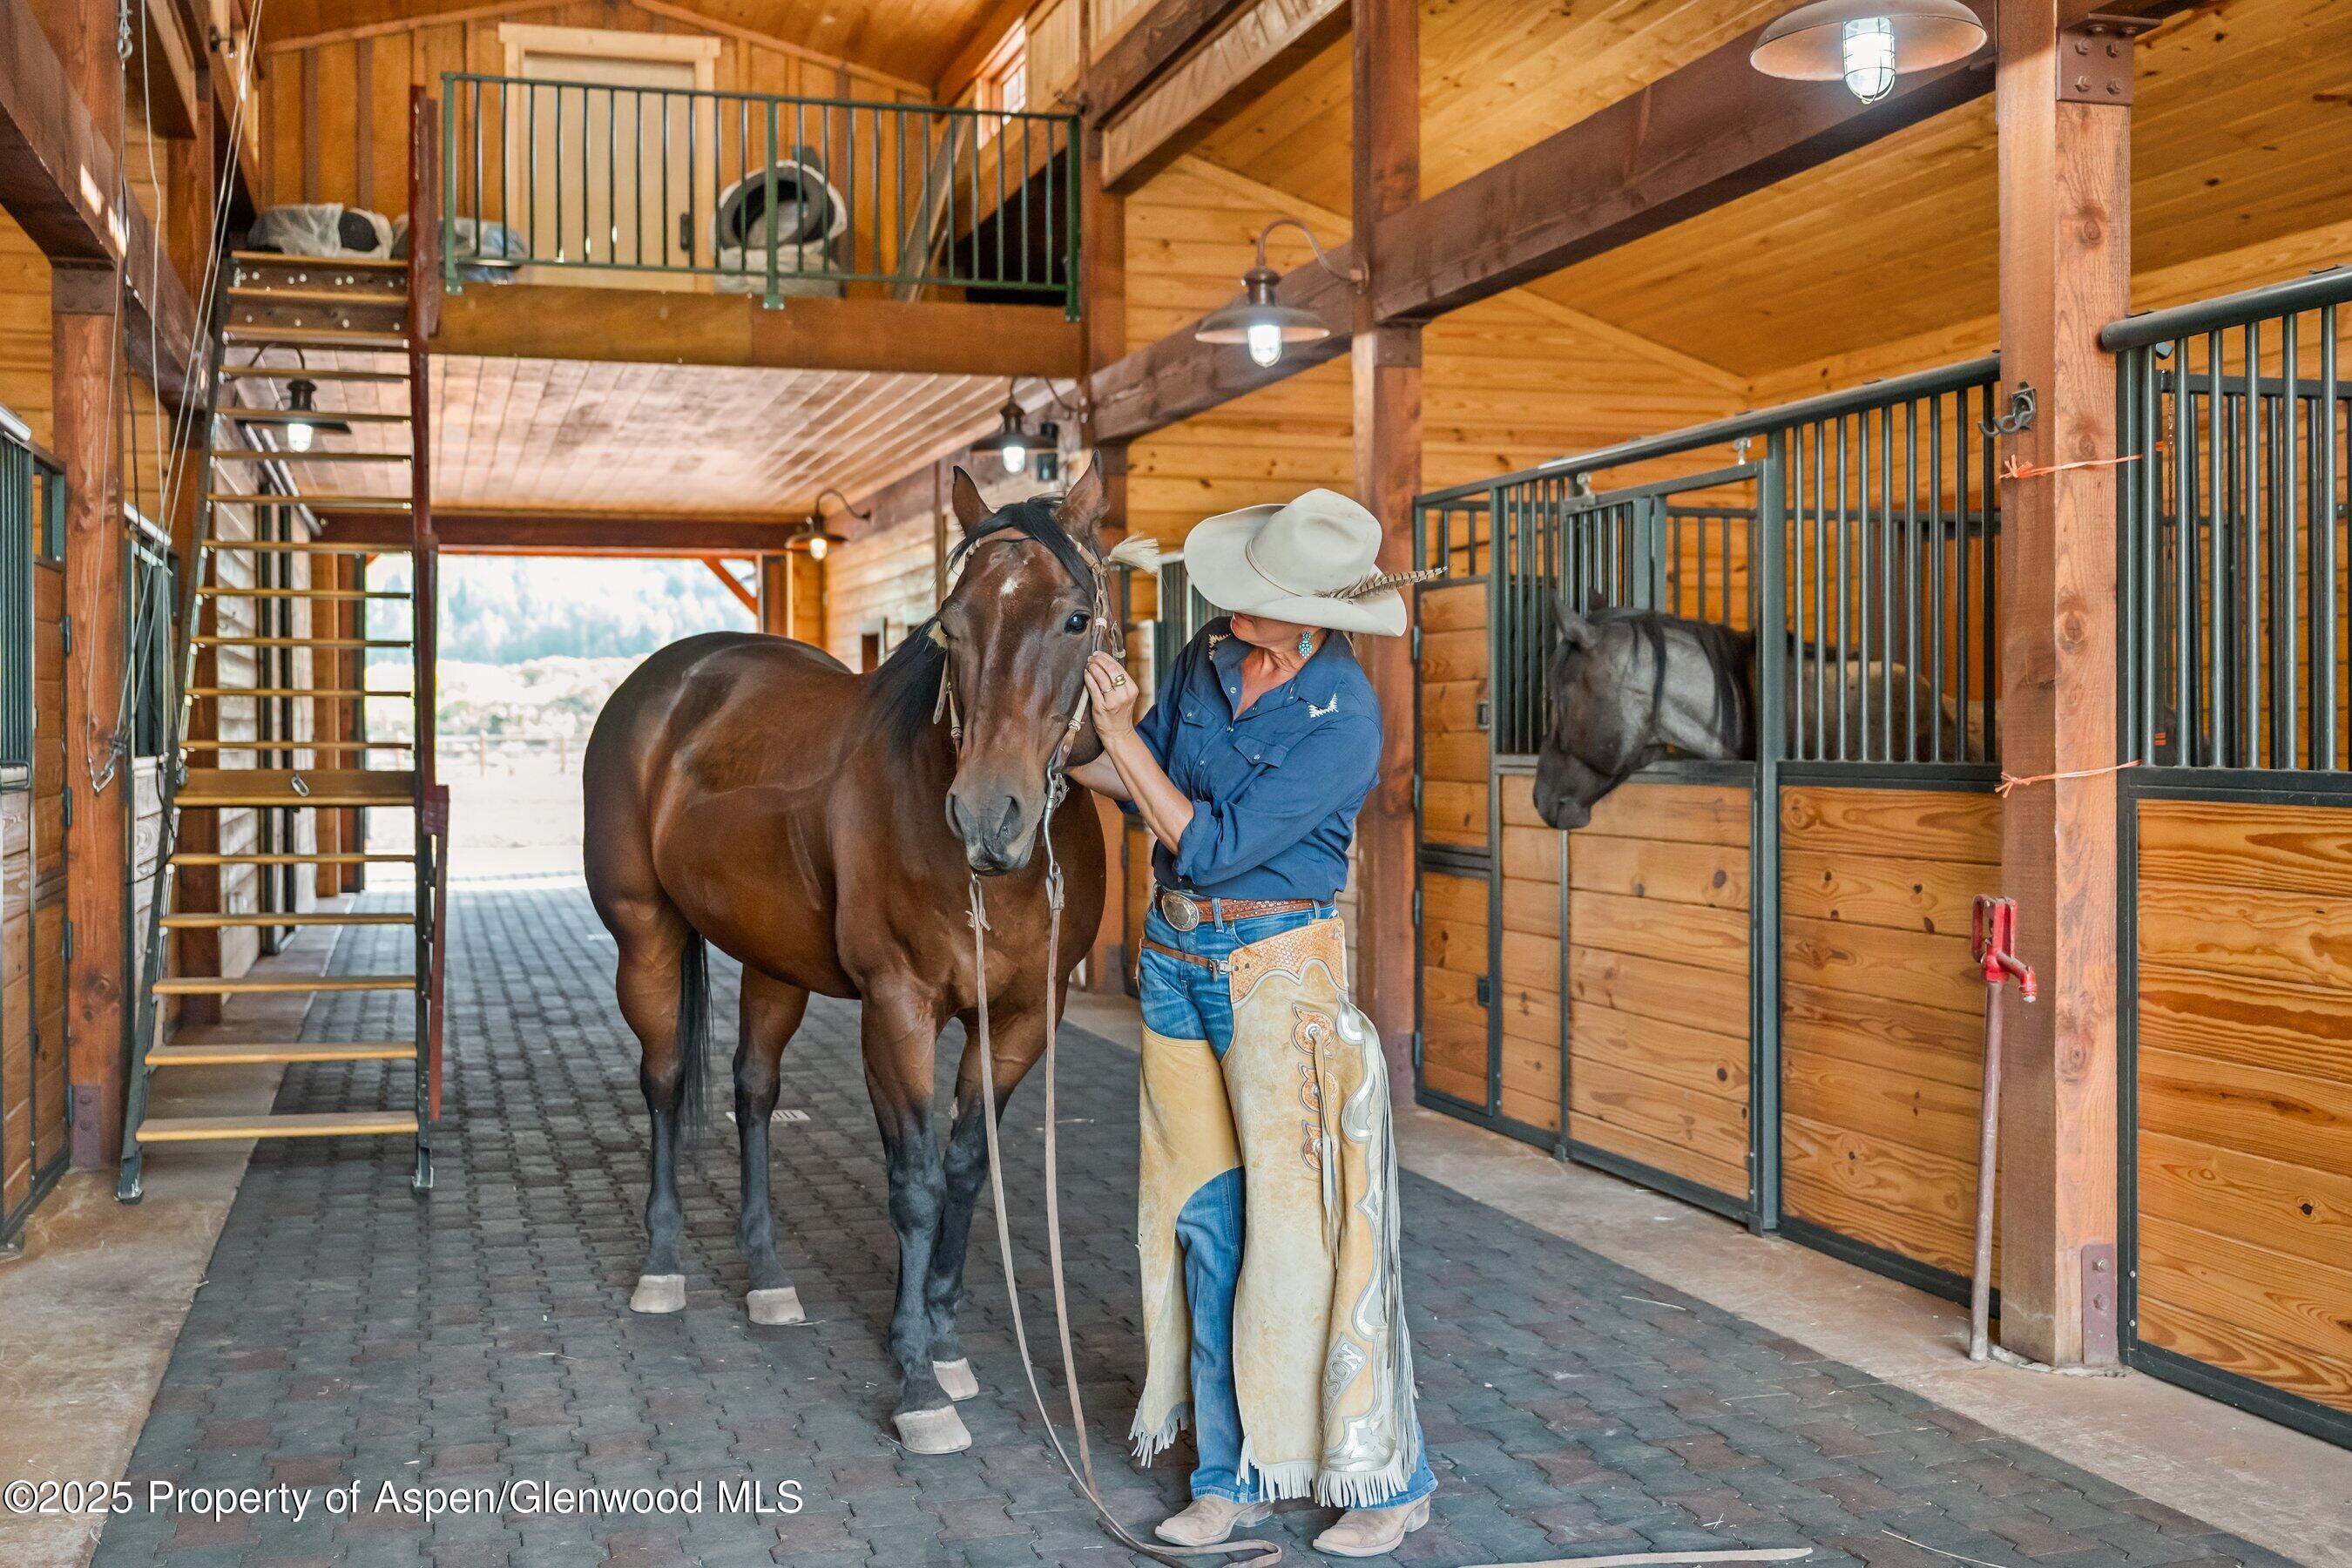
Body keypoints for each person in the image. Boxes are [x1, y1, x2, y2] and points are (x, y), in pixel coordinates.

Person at [1068, 489, 1437, 1559]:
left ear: (1315, 616)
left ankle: (1390, 1478)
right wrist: (1050, 747)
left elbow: (1207, 838)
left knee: (1307, 1226)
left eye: (1255, 600)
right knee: (1205, 1221)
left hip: (1278, 970)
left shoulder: (1344, 718)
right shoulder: (1205, 659)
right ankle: (1232, 1478)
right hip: (1178, 962)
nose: (1231, 608)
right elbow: (1142, 787)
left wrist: (1118, 735)